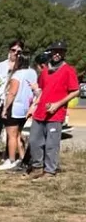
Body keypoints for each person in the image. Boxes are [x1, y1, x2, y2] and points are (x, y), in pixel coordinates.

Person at [27, 41, 79, 180]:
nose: (57, 54)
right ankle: (37, 167)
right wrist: (34, 104)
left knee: (51, 144)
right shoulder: (45, 71)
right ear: (50, 52)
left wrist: (57, 104)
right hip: (40, 113)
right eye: (54, 51)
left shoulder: (69, 70)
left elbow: (75, 91)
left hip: (55, 113)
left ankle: (50, 171)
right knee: (34, 141)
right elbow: (43, 90)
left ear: (64, 53)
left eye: (60, 51)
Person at [0, 53, 37, 171]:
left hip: (15, 107)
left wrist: (5, 108)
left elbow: (12, 93)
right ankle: (22, 157)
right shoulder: (33, 72)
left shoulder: (17, 75)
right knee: (19, 134)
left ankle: (11, 160)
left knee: (11, 135)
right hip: (26, 107)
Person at [0, 39, 23, 161]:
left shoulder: (22, 67)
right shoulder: (1, 66)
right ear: (9, 50)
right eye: (13, 50)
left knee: (11, 130)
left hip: (13, 102)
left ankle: (7, 154)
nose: (15, 53)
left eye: (18, 51)